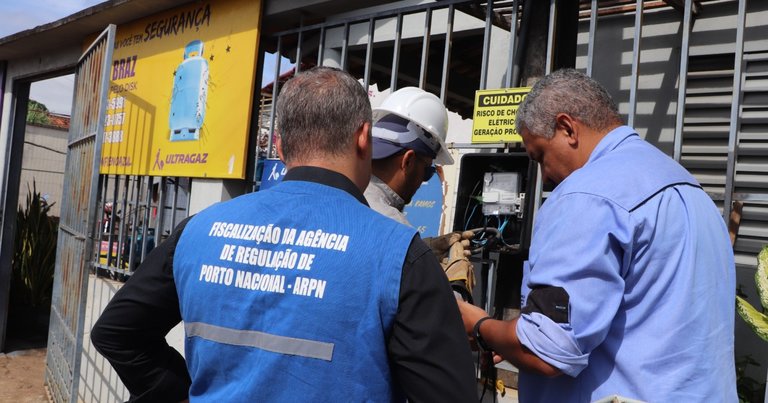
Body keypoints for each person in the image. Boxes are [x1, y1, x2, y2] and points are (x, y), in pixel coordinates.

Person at [91, 67, 477, 402]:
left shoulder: (196, 230)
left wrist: (180, 394)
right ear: (364, 138)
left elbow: (116, 332)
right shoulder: (399, 253)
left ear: (279, 145)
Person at [458, 68, 737, 402]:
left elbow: (546, 352)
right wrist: (512, 337)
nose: (545, 176)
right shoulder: (687, 187)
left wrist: (480, 326)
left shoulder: (586, 195)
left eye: (540, 156)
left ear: (567, 128)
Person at [364, 87, 474, 301]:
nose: (423, 181)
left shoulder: (343, 193)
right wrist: (456, 280)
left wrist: (424, 250)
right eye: (427, 170)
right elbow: (435, 310)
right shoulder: (395, 228)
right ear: (408, 161)